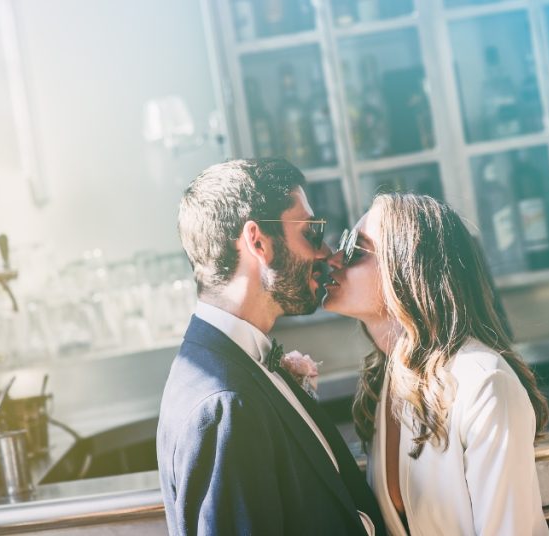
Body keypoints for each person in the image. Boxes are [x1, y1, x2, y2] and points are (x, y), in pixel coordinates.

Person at [156, 158, 385, 535]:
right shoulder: (223, 405)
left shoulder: (240, 364)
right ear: (258, 241)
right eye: (310, 232)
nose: (327, 252)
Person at [322, 192, 549, 535]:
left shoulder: (484, 383)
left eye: (355, 249)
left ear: (407, 268)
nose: (334, 258)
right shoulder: (387, 382)